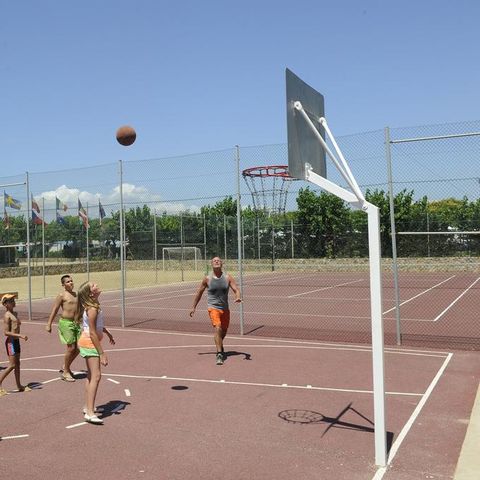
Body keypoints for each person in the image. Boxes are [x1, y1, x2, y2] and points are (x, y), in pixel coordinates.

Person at [75, 281, 115, 424]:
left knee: (91, 376)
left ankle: (88, 407)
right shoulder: (92, 309)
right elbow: (92, 332)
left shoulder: (94, 306)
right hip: (89, 342)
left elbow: (95, 326)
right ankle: (90, 413)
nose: (97, 285)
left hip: (88, 341)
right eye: (93, 285)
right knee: (96, 376)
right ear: (90, 294)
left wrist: (107, 333)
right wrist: (102, 353)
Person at [189, 256, 242, 365]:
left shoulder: (228, 277)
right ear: (211, 264)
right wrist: (193, 307)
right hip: (213, 307)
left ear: (222, 264)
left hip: (225, 308)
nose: (216, 261)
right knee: (217, 327)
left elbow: (236, 289)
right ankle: (219, 354)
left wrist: (237, 297)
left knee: (224, 331)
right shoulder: (207, 279)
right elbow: (199, 293)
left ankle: (219, 344)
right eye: (214, 261)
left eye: (218, 260)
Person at [46, 274, 80, 381]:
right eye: (68, 281)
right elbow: (55, 309)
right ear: (63, 284)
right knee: (71, 348)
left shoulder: (76, 294)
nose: (71, 283)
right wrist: (49, 324)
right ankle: (66, 372)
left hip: (76, 323)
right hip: (66, 323)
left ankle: (66, 366)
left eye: (71, 281)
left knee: (79, 348)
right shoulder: (61, 295)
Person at [0, 294, 31, 396]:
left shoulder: (15, 313)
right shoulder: (7, 316)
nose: (13, 302)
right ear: (5, 304)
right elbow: (6, 332)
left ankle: (19, 386)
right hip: (11, 342)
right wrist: (20, 335)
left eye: (13, 300)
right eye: (11, 301)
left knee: (17, 364)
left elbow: (16, 325)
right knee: (12, 365)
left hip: (16, 342)